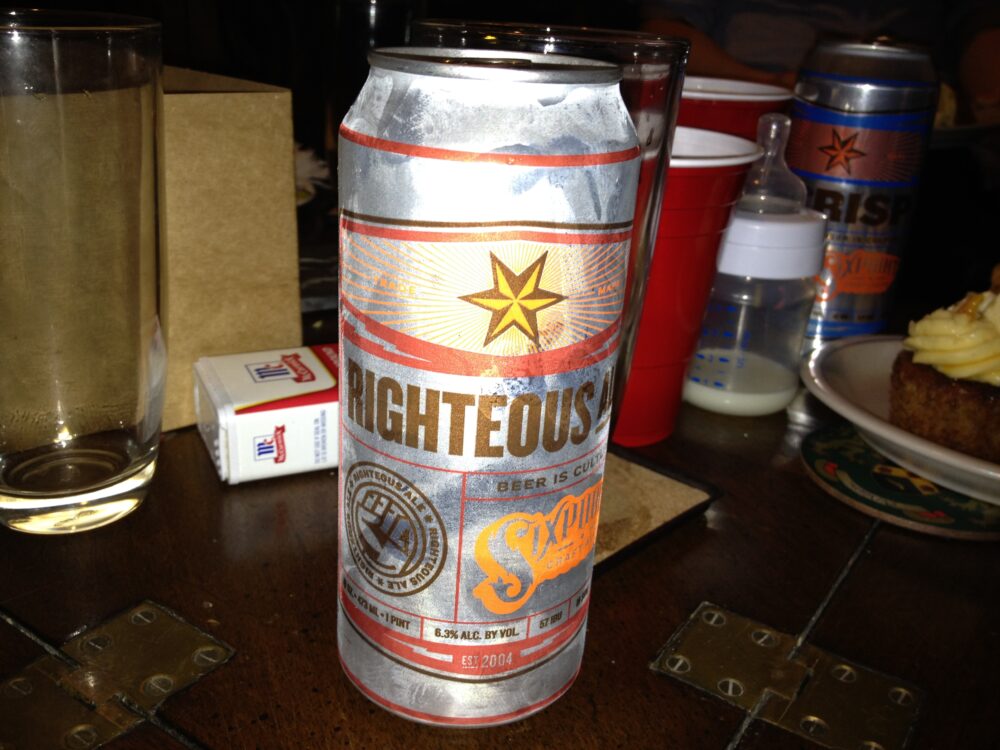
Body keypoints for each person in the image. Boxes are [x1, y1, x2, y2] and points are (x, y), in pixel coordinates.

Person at [637, 0, 1000, 124]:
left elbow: (979, 24)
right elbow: (662, 35)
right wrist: (767, 84)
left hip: (918, 126)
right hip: (749, 109)